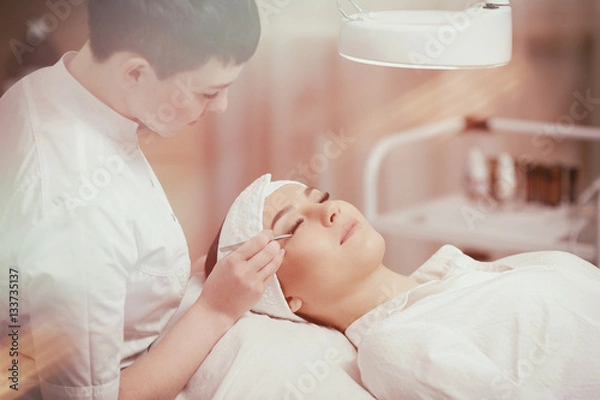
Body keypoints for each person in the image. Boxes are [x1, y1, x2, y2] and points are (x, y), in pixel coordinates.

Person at [0, 2, 286, 399]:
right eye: (209, 91)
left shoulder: (51, 88)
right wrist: (213, 310)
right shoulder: (79, 214)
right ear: (134, 72)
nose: (221, 106)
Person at [206, 174, 600, 400]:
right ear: (286, 299)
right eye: (294, 225)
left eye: (320, 197)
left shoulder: (459, 276)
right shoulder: (393, 345)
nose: (331, 209)